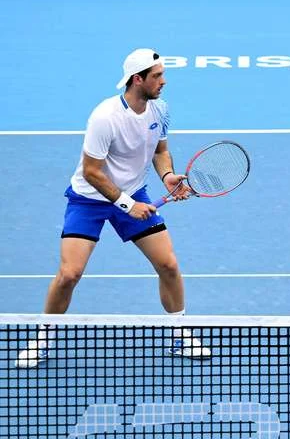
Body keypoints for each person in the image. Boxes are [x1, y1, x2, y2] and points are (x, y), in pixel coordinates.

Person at [16, 49, 210, 368]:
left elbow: (160, 151)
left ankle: (180, 334)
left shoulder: (160, 109)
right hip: (89, 199)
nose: (164, 81)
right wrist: (127, 205)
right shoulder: (105, 117)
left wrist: (167, 177)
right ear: (138, 79)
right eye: (157, 76)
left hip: (134, 193)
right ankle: (42, 338)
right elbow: (92, 172)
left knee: (168, 265)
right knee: (69, 274)